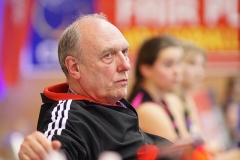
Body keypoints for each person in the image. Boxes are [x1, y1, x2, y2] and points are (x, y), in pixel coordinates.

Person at [18, 13, 172, 160]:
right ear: (75, 68)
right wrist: (39, 153)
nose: (126, 65)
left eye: (124, 52)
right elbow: (54, 151)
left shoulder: (112, 101)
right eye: (108, 55)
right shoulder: (69, 119)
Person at [127, 35, 191, 143]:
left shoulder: (169, 99)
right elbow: (183, 155)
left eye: (179, 63)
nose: (177, 71)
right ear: (146, 69)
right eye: (168, 64)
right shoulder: (147, 109)